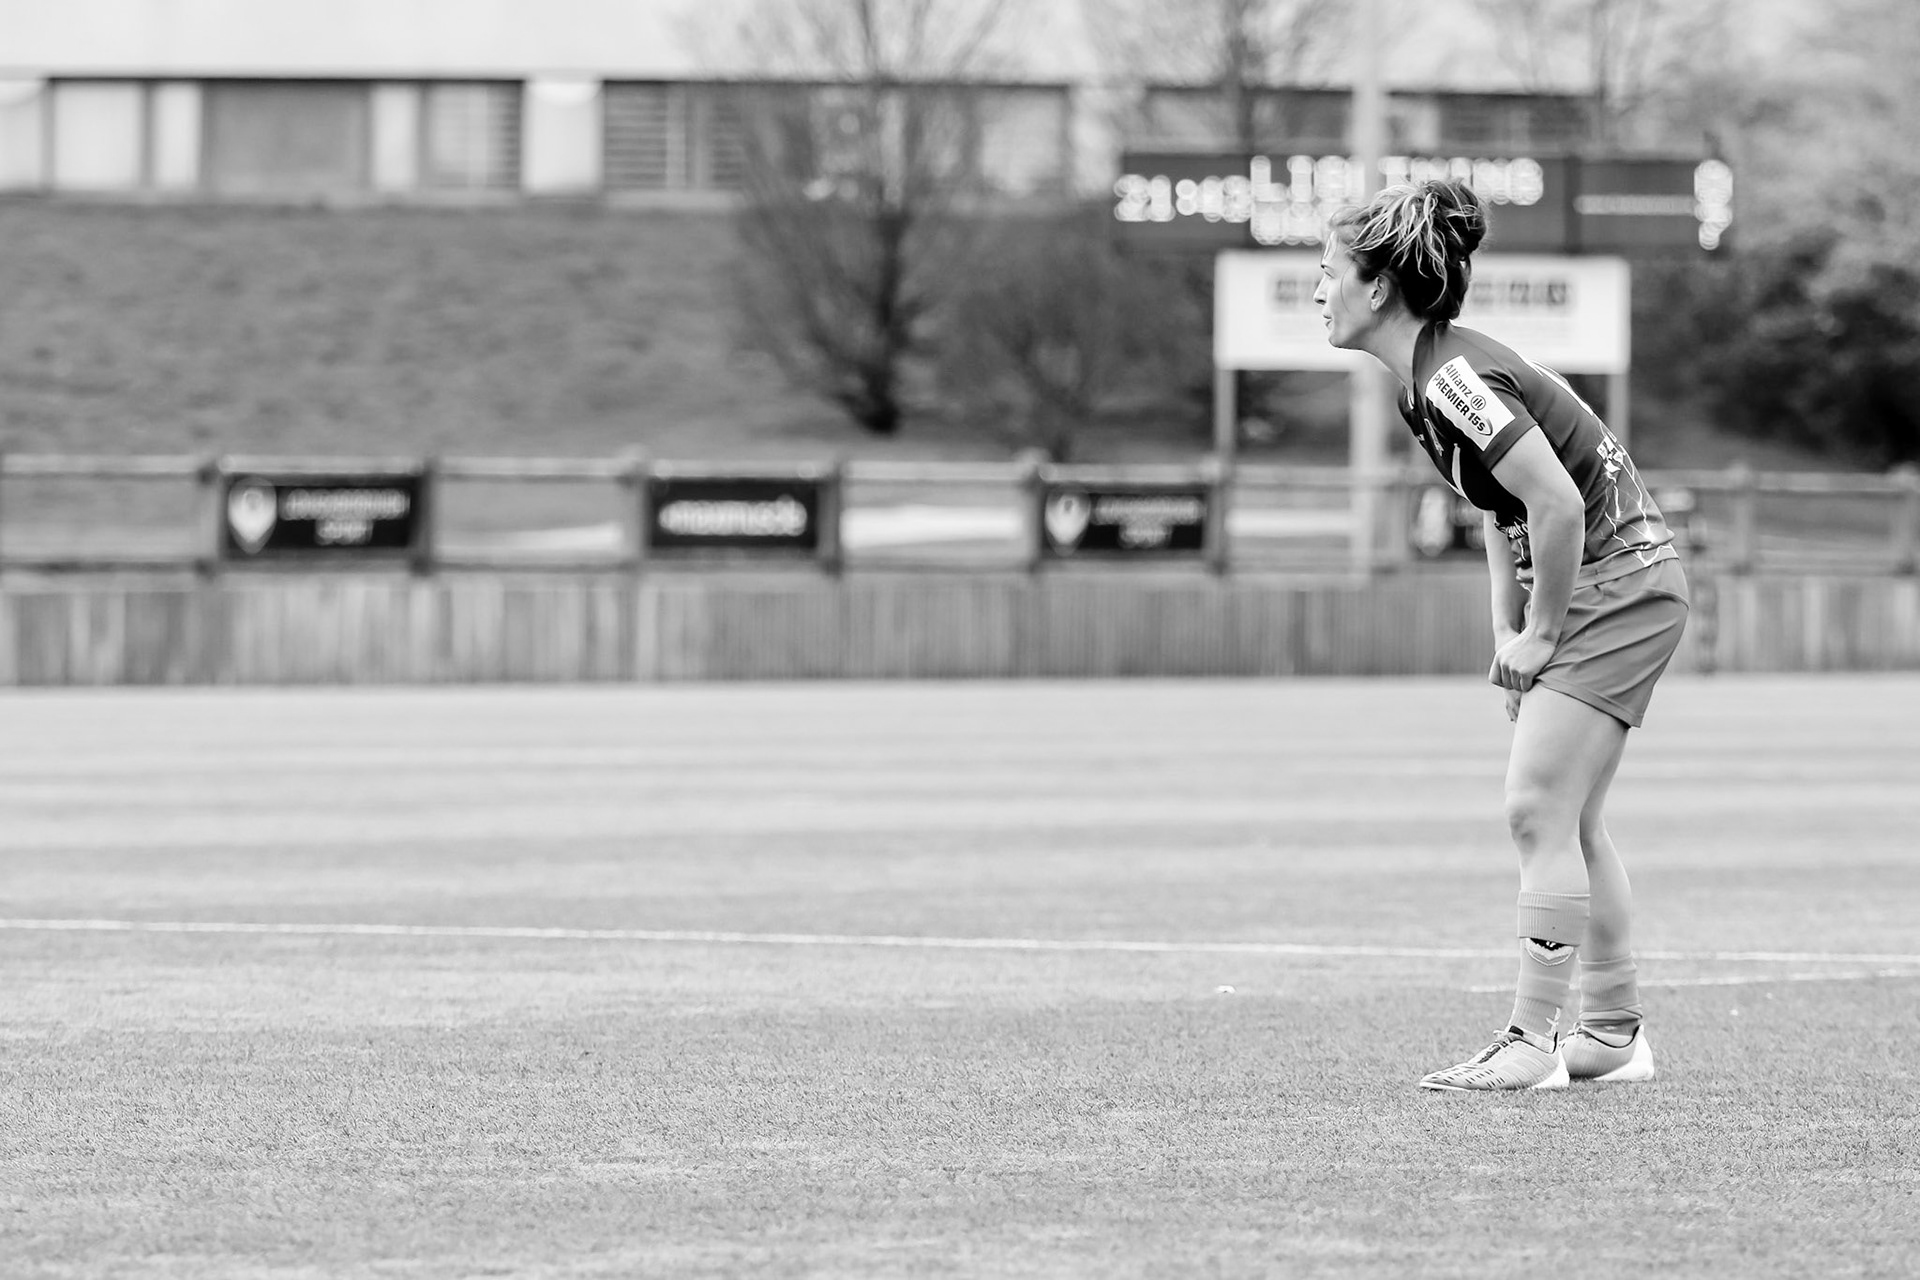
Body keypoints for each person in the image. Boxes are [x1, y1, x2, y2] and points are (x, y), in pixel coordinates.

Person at [1314, 179, 1688, 1091]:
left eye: (1326, 272)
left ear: (1377, 290)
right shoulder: (1426, 380)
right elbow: (1501, 504)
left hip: (1619, 584)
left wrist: (1544, 627)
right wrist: (1508, 625)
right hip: (1618, 583)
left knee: (1533, 810)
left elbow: (1556, 502)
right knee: (1570, 818)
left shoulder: (1450, 377)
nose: (1316, 290)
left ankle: (1530, 1043)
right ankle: (1609, 1035)